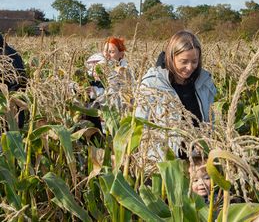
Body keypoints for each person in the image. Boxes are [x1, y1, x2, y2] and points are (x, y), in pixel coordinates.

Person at [136, 30, 216, 158]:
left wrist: (207, 142)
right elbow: (140, 125)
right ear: (171, 57)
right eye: (184, 61)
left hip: (197, 160)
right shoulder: (152, 83)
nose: (190, 67)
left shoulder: (204, 82)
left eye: (194, 61)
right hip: (164, 162)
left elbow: (211, 120)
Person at [84, 37, 128, 131]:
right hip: (95, 118)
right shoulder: (96, 66)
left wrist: (96, 92)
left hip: (114, 120)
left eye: (111, 52)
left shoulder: (124, 73)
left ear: (121, 54)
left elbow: (117, 100)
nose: (107, 55)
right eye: (105, 51)